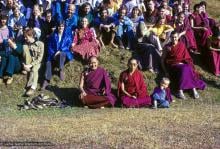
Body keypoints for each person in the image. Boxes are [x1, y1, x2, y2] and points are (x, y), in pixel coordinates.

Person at [161, 31, 206, 99]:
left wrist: (185, 62)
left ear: (178, 37)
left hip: (183, 65)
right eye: (172, 37)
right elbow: (162, 60)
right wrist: (165, 72)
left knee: (187, 68)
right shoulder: (167, 47)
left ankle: (189, 89)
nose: (174, 39)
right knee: (185, 68)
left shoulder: (181, 45)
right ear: (170, 38)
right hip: (173, 66)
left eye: (175, 37)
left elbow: (187, 57)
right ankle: (185, 90)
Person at [41, 21, 73, 90]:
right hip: (53, 55)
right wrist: (53, 54)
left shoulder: (67, 36)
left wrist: (59, 51)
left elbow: (68, 46)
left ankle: (61, 70)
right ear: (57, 27)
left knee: (62, 54)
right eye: (59, 26)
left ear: (64, 27)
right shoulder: (53, 36)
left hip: (64, 55)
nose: (60, 27)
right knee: (48, 63)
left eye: (62, 26)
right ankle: (46, 80)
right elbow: (49, 47)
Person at [0, 14, 23, 85]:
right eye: (2, 19)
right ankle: (0, 76)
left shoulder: (18, 40)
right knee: (3, 58)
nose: (3, 20)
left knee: (11, 55)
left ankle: (10, 76)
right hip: (3, 50)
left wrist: (10, 42)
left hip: (16, 63)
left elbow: (19, 51)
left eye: (5, 19)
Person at [22, 28, 44, 96]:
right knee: (24, 47)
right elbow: (23, 56)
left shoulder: (40, 44)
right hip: (28, 63)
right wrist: (24, 64)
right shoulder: (26, 45)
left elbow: (40, 59)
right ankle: (26, 68)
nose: (25, 39)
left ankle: (32, 88)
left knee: (34, 69)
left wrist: (31, 65)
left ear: (31, 36)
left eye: (26, 37)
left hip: (37, 62)